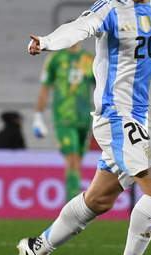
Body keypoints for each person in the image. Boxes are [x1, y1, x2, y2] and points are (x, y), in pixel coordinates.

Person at [18, 0, 151, 254]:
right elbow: (79, 27)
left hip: (146, 123)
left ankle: (36, 248)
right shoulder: (110, 9)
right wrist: (47, 42)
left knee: (98, 200)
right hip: (117, 117)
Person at [33, 36, 95, 201]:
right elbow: (45, 87)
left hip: (84, 118)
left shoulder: (89, 59)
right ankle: (73, 202)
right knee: (72, 157)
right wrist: (38, 116)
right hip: (64, 118)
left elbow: (101, 86)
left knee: (78, 160)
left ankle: (74, 200)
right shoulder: (55, 59)